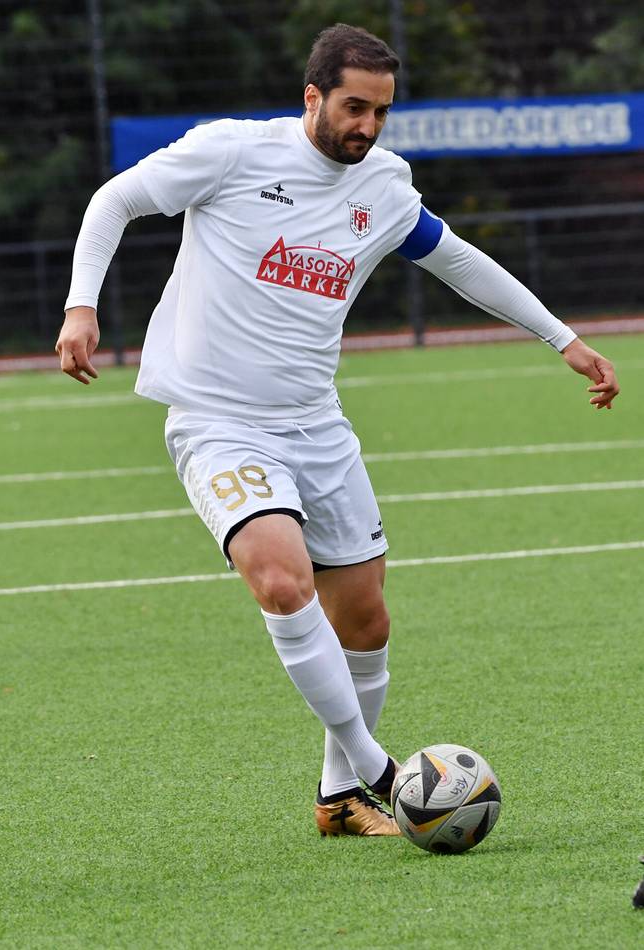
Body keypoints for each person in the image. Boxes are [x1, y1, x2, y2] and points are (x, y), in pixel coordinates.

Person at [55, 25, 619, 837]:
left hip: (316, 425)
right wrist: (81, 303)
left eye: (382, 112)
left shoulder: (384, 187)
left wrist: (562, 338)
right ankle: (382, 772)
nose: (368, 126)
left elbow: (456, 259)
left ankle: (338, 798)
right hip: (218, 422)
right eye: (355, 107)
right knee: (282, 583)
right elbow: (116, 199)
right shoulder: (232, 153)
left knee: (365, 620)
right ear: (313, 96)